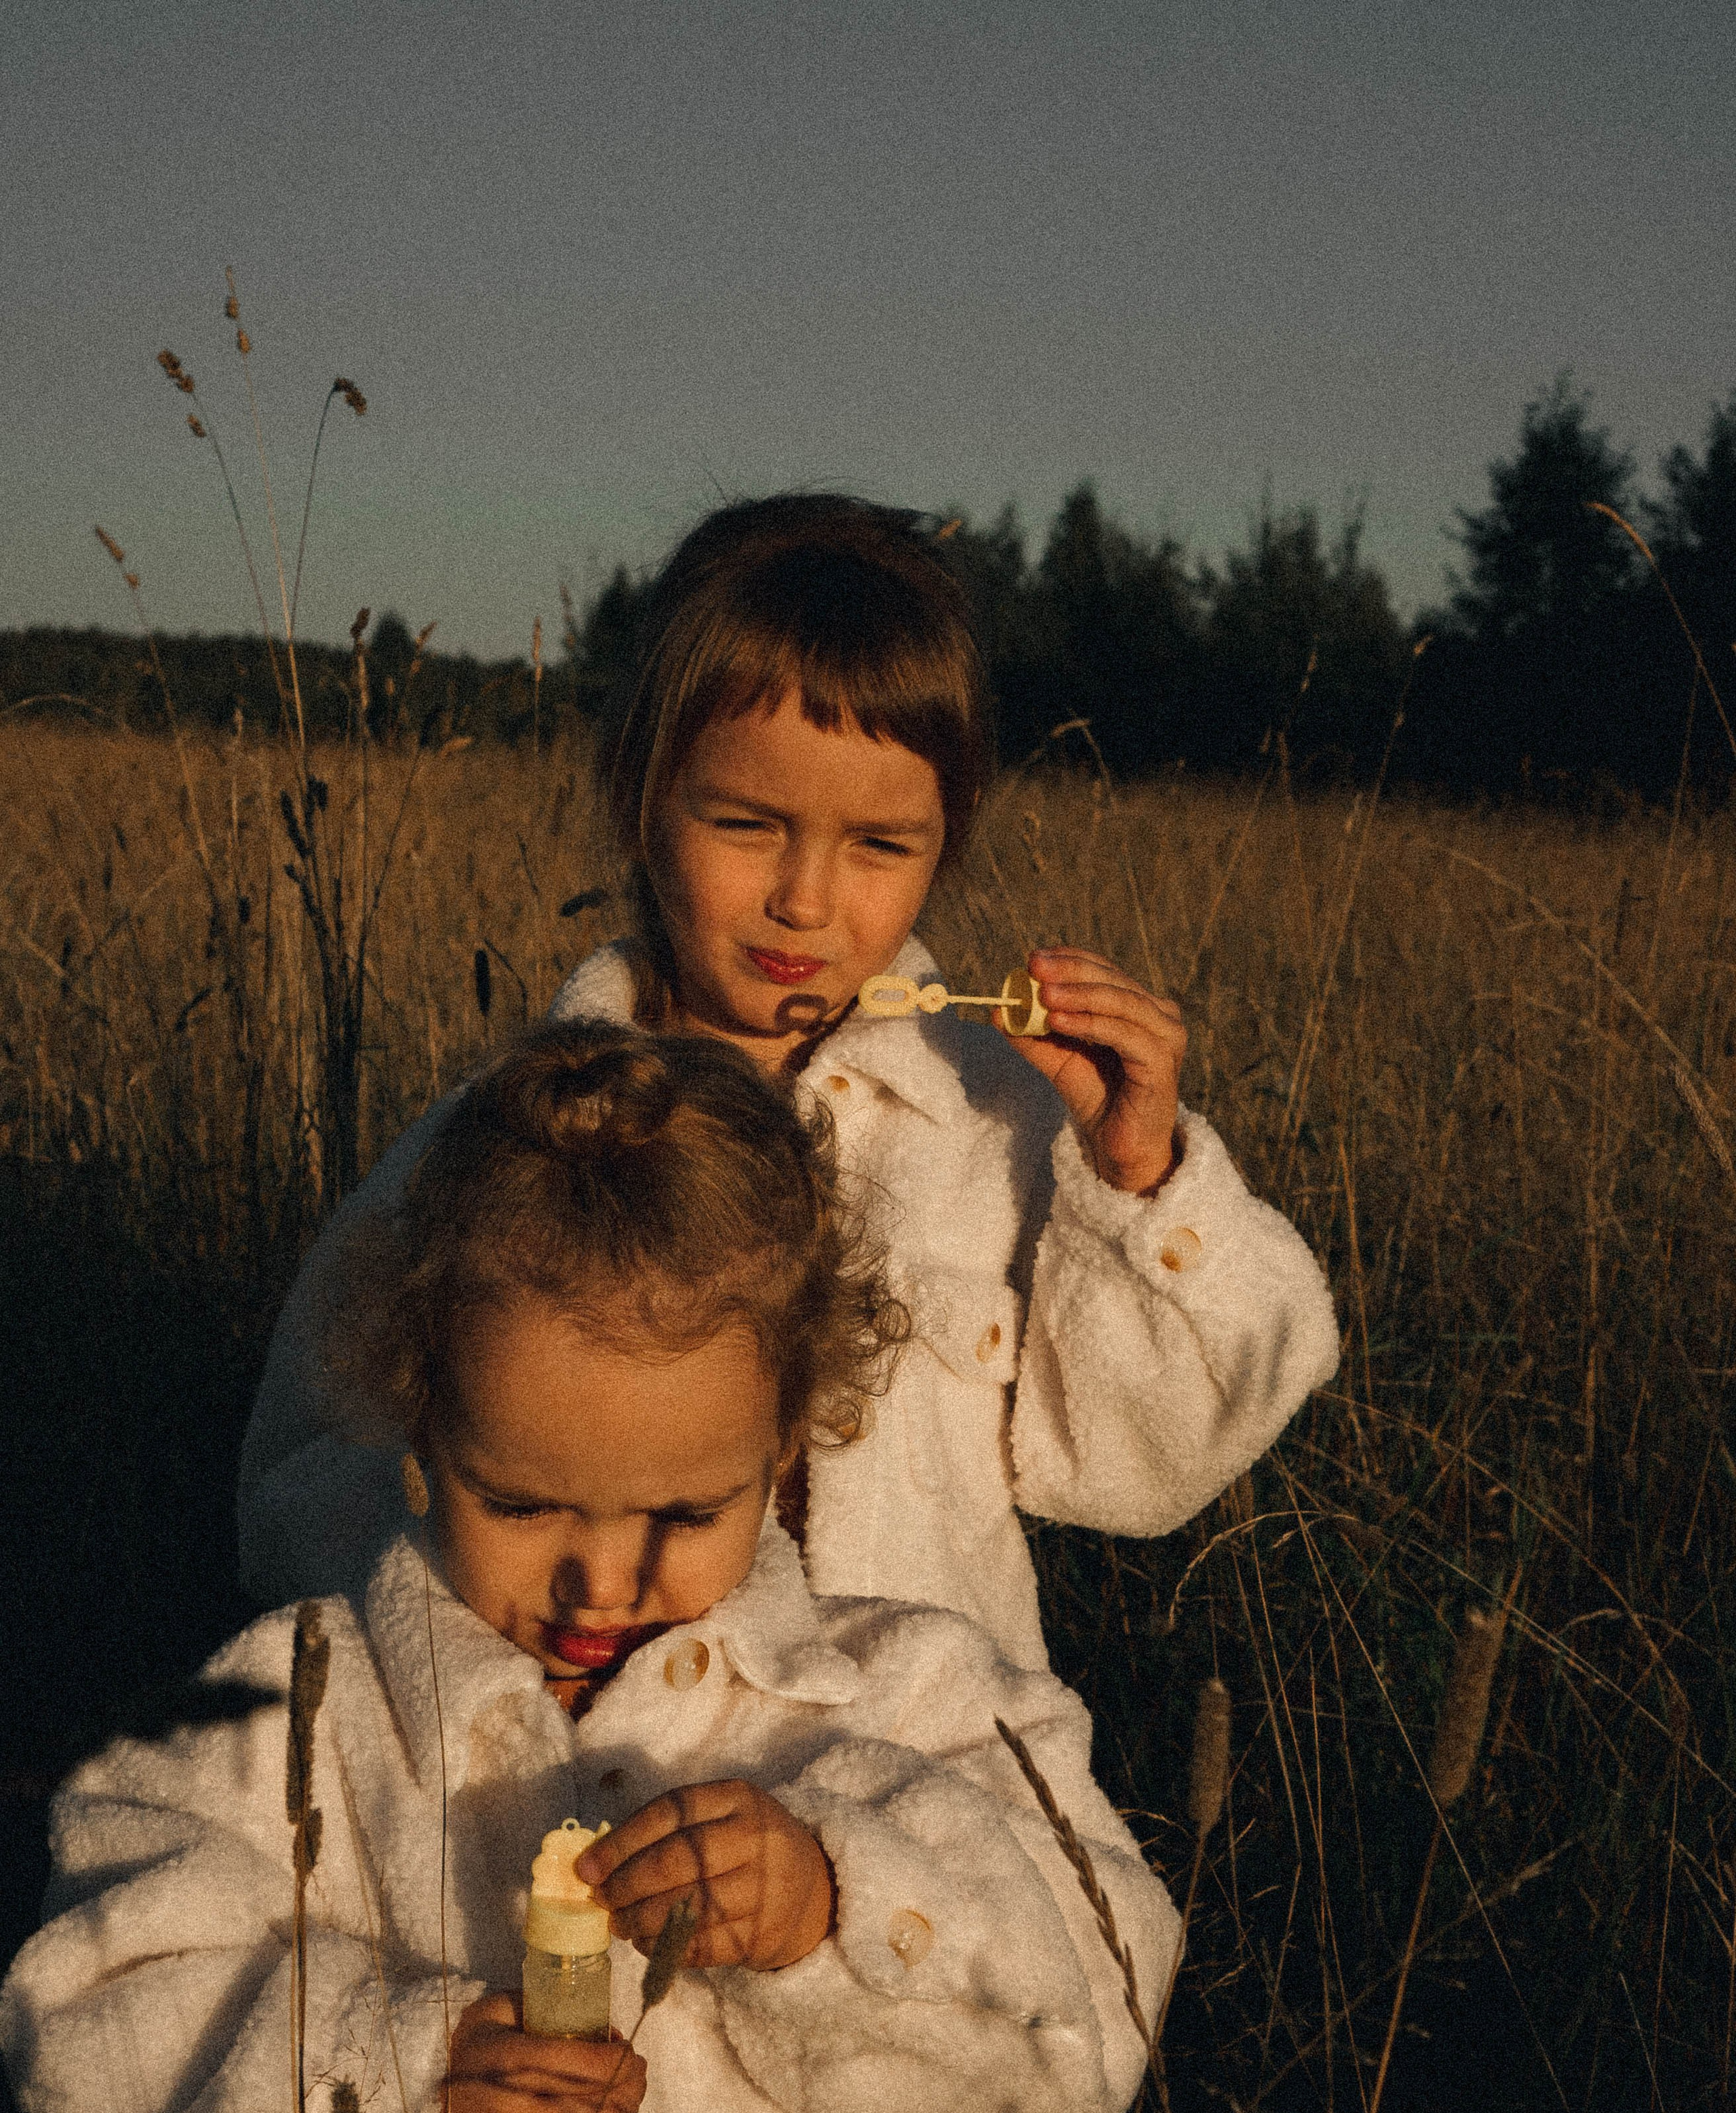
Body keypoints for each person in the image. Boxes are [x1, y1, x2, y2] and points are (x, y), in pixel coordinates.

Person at [1, 1023, 1181, 2113]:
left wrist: (846, 1904)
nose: (599, 1580)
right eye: (525, 1502)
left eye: (685, 1514)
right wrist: (397, 2096)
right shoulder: (290, 1719)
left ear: (785, 1438)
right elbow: (96, 2046)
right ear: (416, 1428)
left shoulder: (890, 1704)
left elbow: (1091, 2007)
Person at [239, 492, 1339, 1668]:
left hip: (922, 1775)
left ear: (945, 845)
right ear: (641, 798)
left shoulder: (1000, 1132)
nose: (806, 902)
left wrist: (1138, 1176)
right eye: (749, 824)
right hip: (595, 1784)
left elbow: (1149, 1463)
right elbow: (302, 1484)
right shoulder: (505, 1144)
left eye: (879, 846)